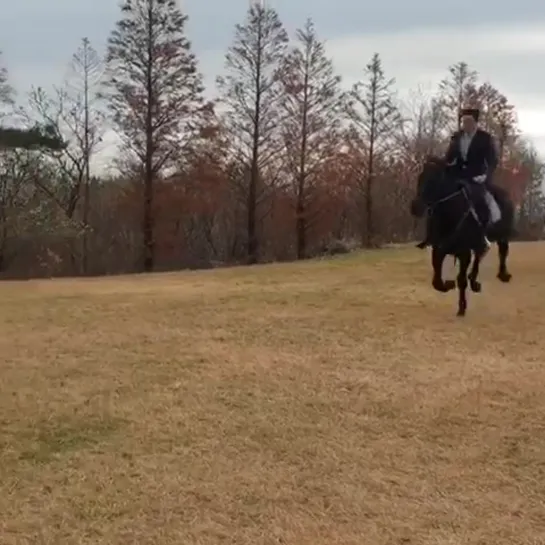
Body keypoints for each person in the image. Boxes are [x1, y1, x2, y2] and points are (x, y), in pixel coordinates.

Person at [417, 107, 500, 253]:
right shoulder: (456, 137)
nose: (465, 125)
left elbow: (492, 160)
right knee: (437, 197)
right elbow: (449, 158)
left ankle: (482, 236)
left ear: (475, 122)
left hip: (477, 177)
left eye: (468, 121)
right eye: (463, 122)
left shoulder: (485, 138)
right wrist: (438, 162)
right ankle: (431, 235)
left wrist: (485, 175)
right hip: (458, 175)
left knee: (479, 200)